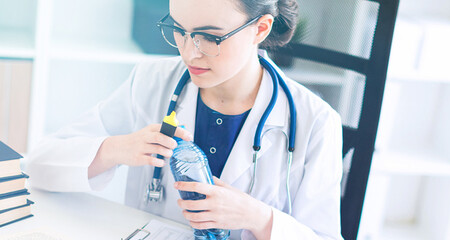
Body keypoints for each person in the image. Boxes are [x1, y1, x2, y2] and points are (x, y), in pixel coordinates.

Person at [27, 0, 343, 239]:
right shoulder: (151, 82)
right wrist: (115, 149)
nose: (190, 53)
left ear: (260, 28)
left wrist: (259, 218)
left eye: (210, 37)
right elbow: (38, 165)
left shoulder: (316, 123)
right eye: (179, 29)